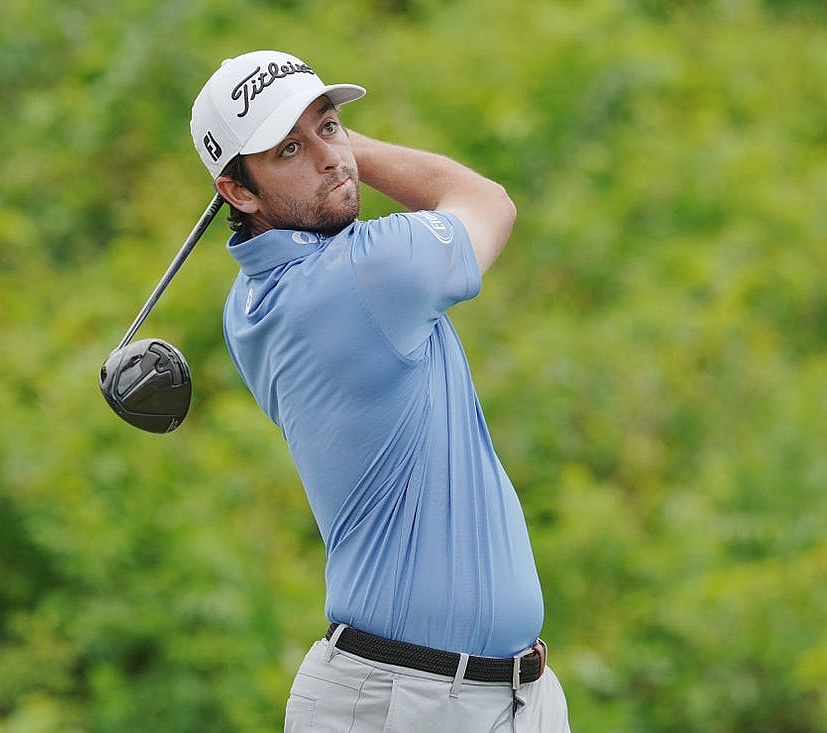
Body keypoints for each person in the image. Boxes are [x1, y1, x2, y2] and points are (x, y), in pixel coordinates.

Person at [190, 50, 571, 732]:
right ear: (238, 192)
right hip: (409, 701)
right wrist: (354, 144)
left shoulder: (248, 301)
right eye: (289, 150)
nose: (330, 160)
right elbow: (490, 201)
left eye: (330, 127)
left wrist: (308, 146)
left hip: (499, 696)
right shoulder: (364, 276)